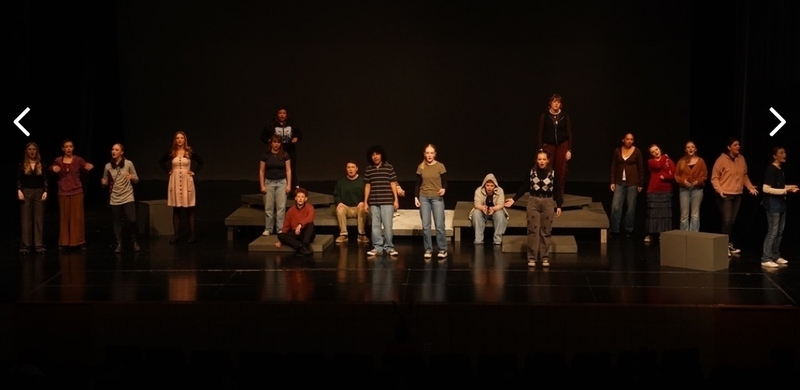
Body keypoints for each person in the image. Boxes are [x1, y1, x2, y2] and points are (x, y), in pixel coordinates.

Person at [505, 150, 563, 268]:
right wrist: (514, 199)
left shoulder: (552, 173)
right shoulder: (532, 172)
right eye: (539, 159)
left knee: (546, 230)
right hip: (533, 202)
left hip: (547, 202)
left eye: (543, 159)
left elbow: (557, 190)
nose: (541, 161)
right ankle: (532, 257)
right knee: (533, 230)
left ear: (547, 160)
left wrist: (559, 205)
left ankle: (544, 257)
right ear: (536, 160)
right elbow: (525, 186)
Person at [710, 137, 758, 256]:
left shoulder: (741, 159)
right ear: (729, 147)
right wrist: (719, 190)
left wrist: (750, 187)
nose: (738, 147)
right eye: (735, 145)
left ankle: (728, 244)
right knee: (726, 221)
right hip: (725, 194)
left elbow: (744, 176)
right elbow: (714, 177)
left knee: (732, 221)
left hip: (737, 194)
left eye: (738, 145)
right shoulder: (721, 160)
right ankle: (723, 246)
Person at [159, 131, 204, 244]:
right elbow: (161, 162)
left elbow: (201, 161)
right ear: (175, 140)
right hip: (175, 180)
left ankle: (192, 234)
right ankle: (176, 235)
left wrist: (194, 172)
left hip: (186, 181)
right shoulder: (171, 152)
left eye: (181, 138)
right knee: (176, 209)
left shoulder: (189, 152)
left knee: (189, 209)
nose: (179, 140)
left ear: (185, 140)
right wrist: (168, 171)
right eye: (177, 138)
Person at [51, 139, 94, 250]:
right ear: (63, 149)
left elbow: (86, 166)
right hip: (63, 192)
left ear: (73, 148)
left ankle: (79, 242)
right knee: (64, 217)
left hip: (76, 191)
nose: (69, 148)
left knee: (77, 217)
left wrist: (90, 166)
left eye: (70, 146)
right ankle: (64, 242)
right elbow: (51, 168)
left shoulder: (78, 160)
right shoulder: (58, 160)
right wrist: (53, 168)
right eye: (66, 147)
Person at [760, 147, 798, 268]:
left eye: (785, 152)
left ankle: (775, 255)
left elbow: (779, 186)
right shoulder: (771, 169)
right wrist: (785, 191)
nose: (784, 154)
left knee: (780, 232)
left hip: (781, 204)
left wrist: (789, 187)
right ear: (774, 156)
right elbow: (765, 189)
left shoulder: (780, 170)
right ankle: (766, 258)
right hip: (772, 204)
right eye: (781, 153)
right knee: (773, 231)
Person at [102, 143, 140, 253]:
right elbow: (105, 181)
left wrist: (132, 177)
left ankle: (134, 241)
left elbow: (136, 179)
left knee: (132, 219)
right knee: (117, 220)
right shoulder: (108, 166)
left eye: (116, 149)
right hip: (115, 197)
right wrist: (103, 183)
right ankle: (119, 243)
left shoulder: (128, 164)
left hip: (127, 196)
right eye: (112, 149)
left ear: (121, 152)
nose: (113, 151)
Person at [364, 145, 400, 257]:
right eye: (373, 154)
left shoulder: (389, 167)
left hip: (387, 201)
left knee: (388, 226)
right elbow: (367, 186)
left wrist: (396, 199)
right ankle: (377, 247)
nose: (375, 157)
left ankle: (389, 247)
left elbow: (393, 183)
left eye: (377, 154)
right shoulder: (369, 169)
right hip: (374, 202)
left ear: (381, 155)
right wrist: (365, 202)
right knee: (375, 226)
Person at [414, 144, 448, 259]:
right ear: (424, 154)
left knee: (439, 225)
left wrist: (444, 189)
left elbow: (445, 182)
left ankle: (442, 249)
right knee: (426, 226)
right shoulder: (421, 167)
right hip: (424, 198)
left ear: (435, 154)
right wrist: (416, 197)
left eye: (431, 153)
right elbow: (418, 183)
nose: (429, 155)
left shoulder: (440, 166)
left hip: (437, 198)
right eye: (427, 153)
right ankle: (428, 249)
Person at [609, 133, 644, 238]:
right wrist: (612, 181)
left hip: (632, 182)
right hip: (619, 182)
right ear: (623, 139)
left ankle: (629, 229)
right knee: (615, 206)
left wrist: (640, 183)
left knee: (630, 207)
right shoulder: (617, 150)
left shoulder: (637, 151)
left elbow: (641, 168)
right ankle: (614, 229)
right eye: (627, 139)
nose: (629, 141)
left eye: (631, 139)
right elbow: (613, 166)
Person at [538, 94, 573, 195]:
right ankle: (546, 190)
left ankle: (559, 192)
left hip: (562, 144)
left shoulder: (565, 116)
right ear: (550, 103)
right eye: (554, 101)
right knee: (547, 167)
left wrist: (569, 150)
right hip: (548, 144)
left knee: (561, 169)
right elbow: (540, 133)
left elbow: (569, 134)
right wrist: (540, 148)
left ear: (560, 104)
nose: (556, 103)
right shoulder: (545, 115)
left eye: (558, 102)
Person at [18, 142, 48, 255]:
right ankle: (26, 246)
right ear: (26, 151)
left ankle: (39, 245)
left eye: (34, 149)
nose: (32, 151)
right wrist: (19, 190)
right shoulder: (22, 164)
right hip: (26, 191)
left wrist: (46, 190)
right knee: (26, 220)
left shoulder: (41, 164)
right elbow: (18, 178)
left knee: (38, 219)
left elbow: (45, 178)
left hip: (39, 192)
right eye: (29, 149)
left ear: (37, 151)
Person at [261, 106, 302, 189]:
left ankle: (293, 189)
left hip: (290, 149)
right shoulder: (271, 124)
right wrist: (269, 140)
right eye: (280, 113)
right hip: (276, 150)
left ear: (286, 115)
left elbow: (300, 133)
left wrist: (297, 138)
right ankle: (275, 187)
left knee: (291, 169)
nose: (282, 115)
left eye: (284, 113)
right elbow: (262, 136)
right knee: (276, 168)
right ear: (277, 114)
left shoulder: (292, 124)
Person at [259, 134, 292, 236]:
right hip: (269, 183)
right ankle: (268, 228)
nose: (276, 144)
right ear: (271, 143)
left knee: (281, 208)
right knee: (268, 208)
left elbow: (288, 170)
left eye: (278, 142)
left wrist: (289, 185)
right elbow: (261, 171)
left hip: (281, 182)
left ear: (280, 144)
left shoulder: (285, 155)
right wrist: (262, 185)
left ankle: (280, 229)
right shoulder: (266, 155)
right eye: (274, 142)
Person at [644, 144, 675, 243]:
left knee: (664, 215)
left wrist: (665, 176)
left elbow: (673, 174)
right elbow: (658, 166)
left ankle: (663, 235)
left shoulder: (668, 162)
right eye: (653, 152)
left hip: (665, 191)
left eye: (656, 149)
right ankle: (650, 235)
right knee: (653, 215)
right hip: (653, 191)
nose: (656, 152)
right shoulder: (651, 162)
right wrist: (665, 156)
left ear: (660, 149)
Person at [332, 160, 369, 244]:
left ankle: (361, 234)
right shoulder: (341, 181)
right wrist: (339, 202)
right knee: (340, 209)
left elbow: (368, 193)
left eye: (352, 167)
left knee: (363, 208)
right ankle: (343, 234)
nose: (350, 169)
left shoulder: (362, 180)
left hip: (358, 207)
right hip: (346, 208)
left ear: (356, 169)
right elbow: (336, 194)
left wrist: (363, 201)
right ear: (346, 169)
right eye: (348, 167)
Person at [674, 141, 708, 232]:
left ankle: (693, 236)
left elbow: (705, 175)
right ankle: (684, 236)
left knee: (695, 215)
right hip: (684, 190)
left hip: (697, 190)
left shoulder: (700, 161)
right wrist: (683, 181)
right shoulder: (681, 161)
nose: (690, 149)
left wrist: (698, 181)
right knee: (684, 215)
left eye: (692, 147)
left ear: (695, 149)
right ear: (685, 150)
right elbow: (676, 175)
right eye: (688, 147)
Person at [469, 173, 508, 245]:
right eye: (487, 185)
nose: (489, 188)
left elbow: (501, 204)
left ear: (495, 186)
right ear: (484, 185)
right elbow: (476, 204)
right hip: (483, 211)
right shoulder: (478, 190)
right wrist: (482, 207)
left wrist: (493, 209)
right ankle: (478, 239)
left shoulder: (500, 191)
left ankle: (497, 240)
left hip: (495, 210)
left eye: (491, 186)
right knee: (476, 213)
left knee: (500, 214)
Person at [275, 187, 315, 256]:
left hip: (306, 233)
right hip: (296, 234)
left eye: (302, 197)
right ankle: (300, 247)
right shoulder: (291, 210)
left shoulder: (309, 207)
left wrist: (300, 225)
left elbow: (310, 218)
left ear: (306, 199)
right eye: (298, 197)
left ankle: (305, 245)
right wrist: (282, 241)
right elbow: (286, 226)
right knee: (280, 235)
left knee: (311, 224)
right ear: (295, 198)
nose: (300, 199)